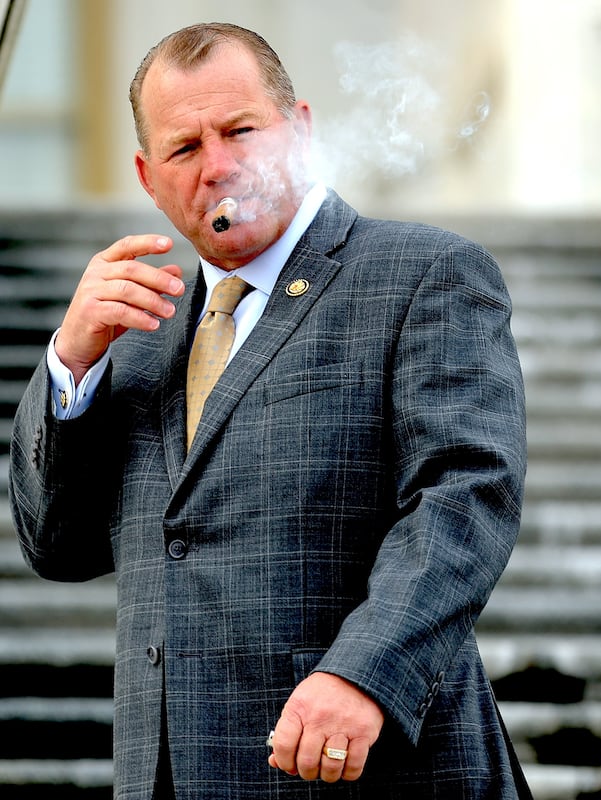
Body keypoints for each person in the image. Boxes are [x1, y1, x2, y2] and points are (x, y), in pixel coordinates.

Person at [9, 22, 530, 800]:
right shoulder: (137, 336)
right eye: (186, 149)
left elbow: (464, 497)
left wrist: (366, 673)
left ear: (301, 130)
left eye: (241, 131)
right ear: (149, 178)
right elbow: (58, 544)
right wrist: (71, 364)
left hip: (370, 770)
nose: (218, 165)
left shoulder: (425, 274)